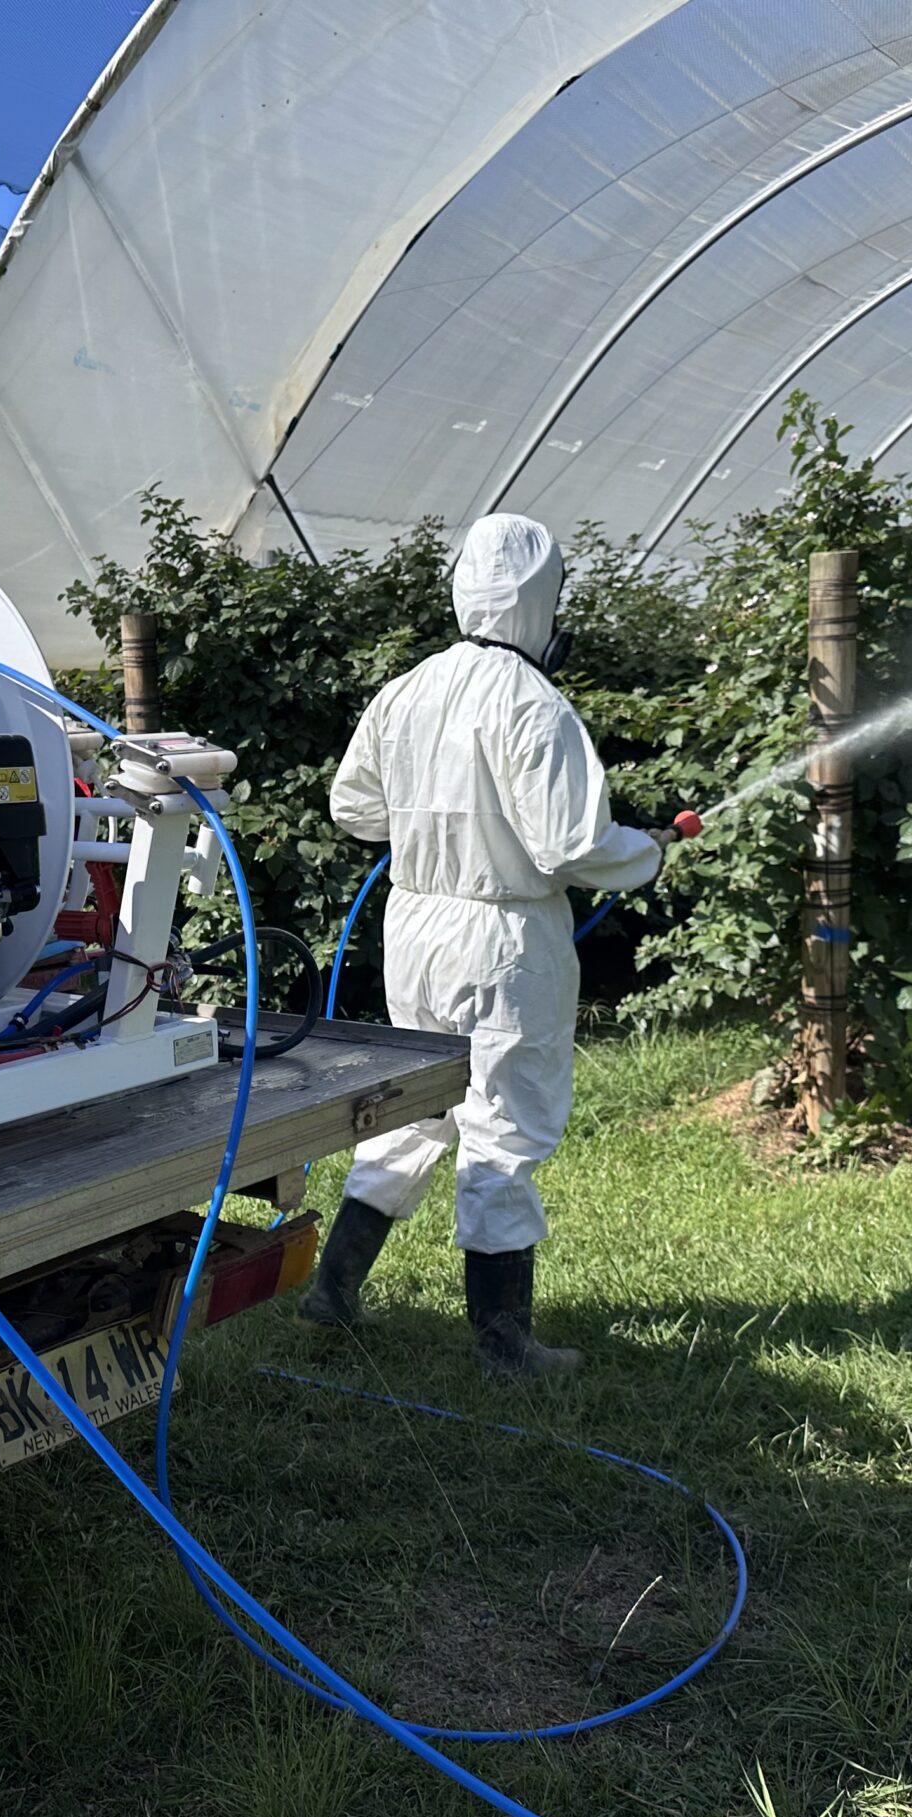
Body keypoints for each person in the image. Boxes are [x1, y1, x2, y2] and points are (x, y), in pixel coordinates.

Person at [298, 513, 677, 1381]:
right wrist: (646, 853)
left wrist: (434, 829)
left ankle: (336, 1289)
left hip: (417, 928)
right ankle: (504, 1347)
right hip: (504, 936)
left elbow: (352, 809)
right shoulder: (532, 702)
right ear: (543, 601)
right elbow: (572, 847)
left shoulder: (406, 689)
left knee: (417, 1108)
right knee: (504, 1124)